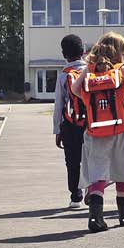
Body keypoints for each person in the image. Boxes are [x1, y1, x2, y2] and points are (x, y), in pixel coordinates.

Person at [70, 32, 124, 232]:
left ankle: (96, 218)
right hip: (121, 127)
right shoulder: (119, 69)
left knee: (98, 172)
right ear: (119, 52)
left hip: (96, 129)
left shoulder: (89, 70)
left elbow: (75, 89)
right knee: (122, 170)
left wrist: (89, 101)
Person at [53, 34, 87, 208]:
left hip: (70, 123)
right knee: (91, 157)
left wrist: (57, 130)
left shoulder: (63, 75)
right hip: (91, 122)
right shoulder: (91, 71)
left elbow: (59, 104)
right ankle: (93, 189)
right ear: (83, 51)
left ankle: (75, 196)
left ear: (64, 54)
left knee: (72, 160)